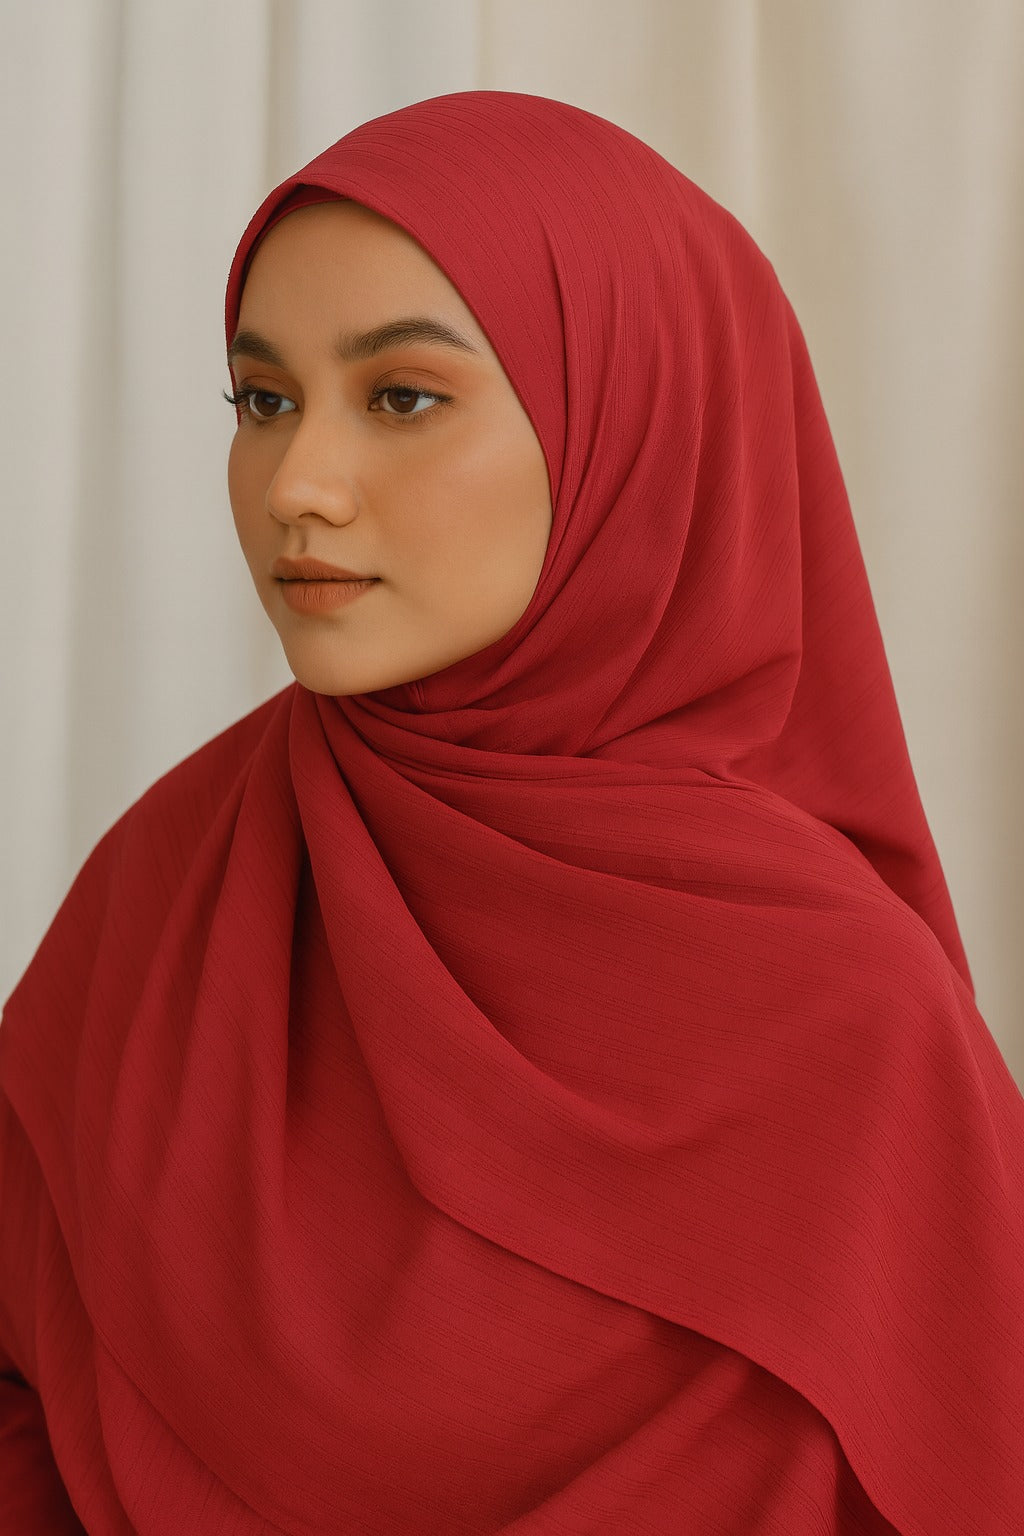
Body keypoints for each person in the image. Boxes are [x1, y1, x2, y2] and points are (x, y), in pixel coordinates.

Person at [1, 90, 1021, 1535]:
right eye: (263, 400)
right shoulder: (172, 890)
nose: (300, 484)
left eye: (402, 398)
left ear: (634, 419)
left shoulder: (849, 1025)